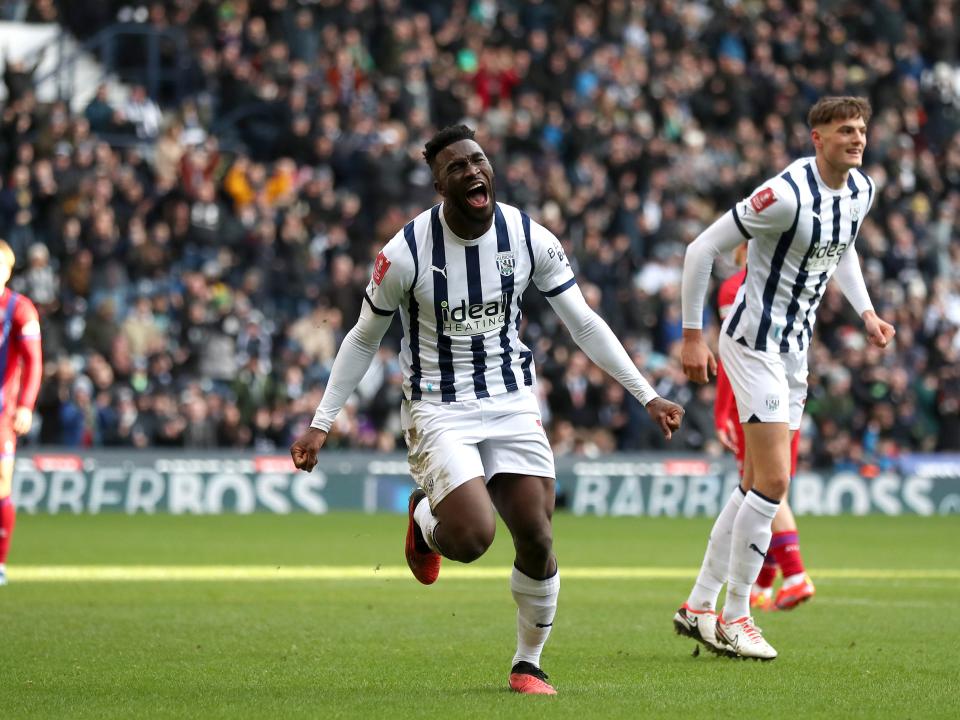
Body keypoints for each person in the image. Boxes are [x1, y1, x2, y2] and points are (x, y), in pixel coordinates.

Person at [290, 125, 684, 694]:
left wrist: (646, 394)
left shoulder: (529, 237)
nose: (474, 171)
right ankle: (426, 522)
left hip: (511, 400)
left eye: (479, 161)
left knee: (538, 535)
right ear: (439, 186)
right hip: (438, 406)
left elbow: (584, 323)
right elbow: (360, 339)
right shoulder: (404, 253)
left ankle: (528, 664)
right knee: (473, 537)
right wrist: (321, 422)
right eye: (457, 167)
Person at [673, 97, 895, 660]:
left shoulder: (861, 191)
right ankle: (737, 615)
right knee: (775, 481)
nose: (857, 138)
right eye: (845, 130)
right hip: (752, 344)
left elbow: (841, 250)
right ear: (816, 138)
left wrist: (866, 311)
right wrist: (693, 335)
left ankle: (699, 605)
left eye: (862, 129)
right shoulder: (784, 195)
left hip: (795, 352)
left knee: (753, 484)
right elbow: (703, 248)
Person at [714, 245, 815, 613]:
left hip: (756, 399)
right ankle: (763, 584)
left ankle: (795, 574)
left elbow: (733, 356)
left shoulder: (734, 288)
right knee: (773, 485)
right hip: (791, 393)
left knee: (765, 488)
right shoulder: (793, 281)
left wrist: (722, 409)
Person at [0, 239, 43, 586]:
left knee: (0, 487)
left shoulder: (19, 308)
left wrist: (26, 406)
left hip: (1, 415)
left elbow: (34, 363)